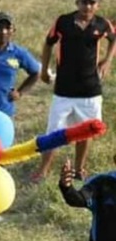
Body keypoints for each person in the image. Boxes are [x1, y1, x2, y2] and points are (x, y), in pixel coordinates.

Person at [31, 0, 116, 183]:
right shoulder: (63, 22)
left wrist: (107, 60)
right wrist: (44, 70)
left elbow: (113, 38)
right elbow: (48, 43)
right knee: (53, 132)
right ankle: (43, 171)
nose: (88, 7)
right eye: (84, 3)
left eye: (92, 3)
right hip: (63, 90)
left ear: (98, 5)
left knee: (86, 131)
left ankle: (79, 169)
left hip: (90, 90)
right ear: (77, 3)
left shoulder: (102, 24)